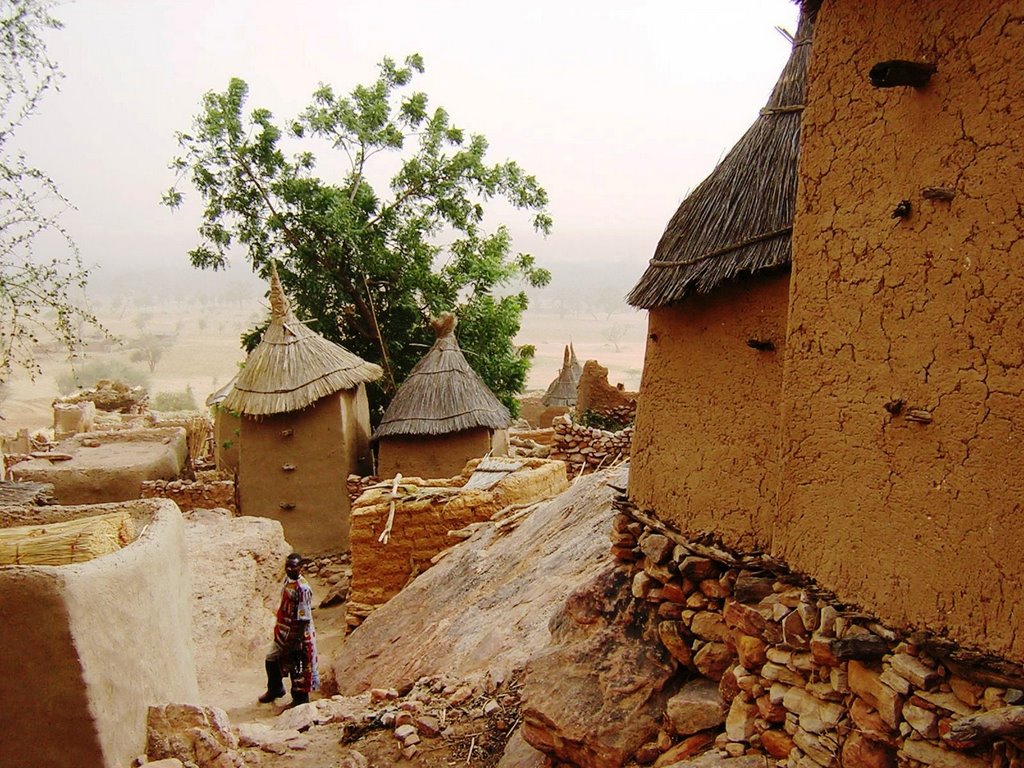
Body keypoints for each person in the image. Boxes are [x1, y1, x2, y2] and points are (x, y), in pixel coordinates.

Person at [259, 552, 319, 706]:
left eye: (294, 566)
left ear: (301, 568)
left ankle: (300, 701)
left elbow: (303, 618)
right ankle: (275, 688)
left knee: (297, 667)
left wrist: (296, 642)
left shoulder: (302, 589)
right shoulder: (288, 581)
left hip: (298, 636)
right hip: (283, 633)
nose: (290, 569)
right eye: (288, 566)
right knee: (271, 659)